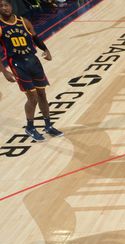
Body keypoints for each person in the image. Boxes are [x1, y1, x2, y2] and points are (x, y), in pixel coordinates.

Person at [0, 0, 62, 141]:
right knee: (32, 97)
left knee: (42, 94)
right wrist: (4, 71)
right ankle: (30, 127)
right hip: (17, 63)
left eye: (6, 5)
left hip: (33, 61)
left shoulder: (23, 21)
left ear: (11, 6)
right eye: (1, 6)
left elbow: (35, 38)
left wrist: (45, 49)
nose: (4, 8)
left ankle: (48, 125)